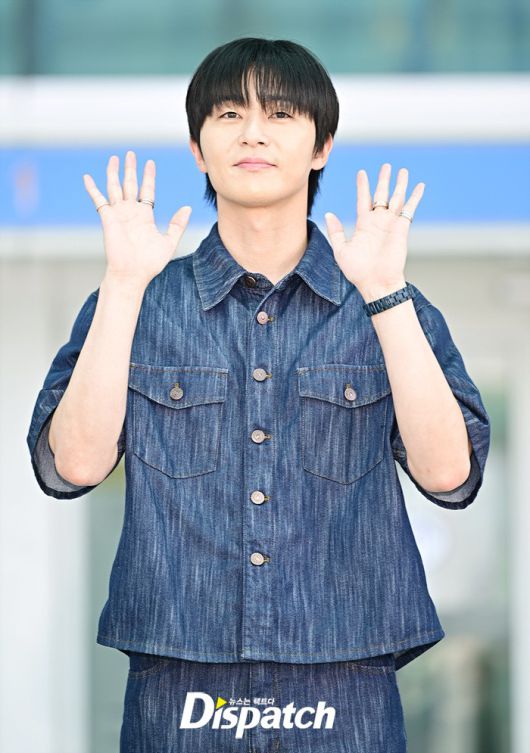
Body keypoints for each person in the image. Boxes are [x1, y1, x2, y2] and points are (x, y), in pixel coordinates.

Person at [26, 36, 491, 753]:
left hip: (347, 678)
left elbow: (450, 474)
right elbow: (74, 465)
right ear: (197, 149)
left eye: (279, 113)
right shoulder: (137, 299)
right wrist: (122, 283)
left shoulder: (388, 303)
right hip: (180, 679)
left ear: (321, 146)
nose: (252, 133)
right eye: (228, 114)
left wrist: (383, 291)